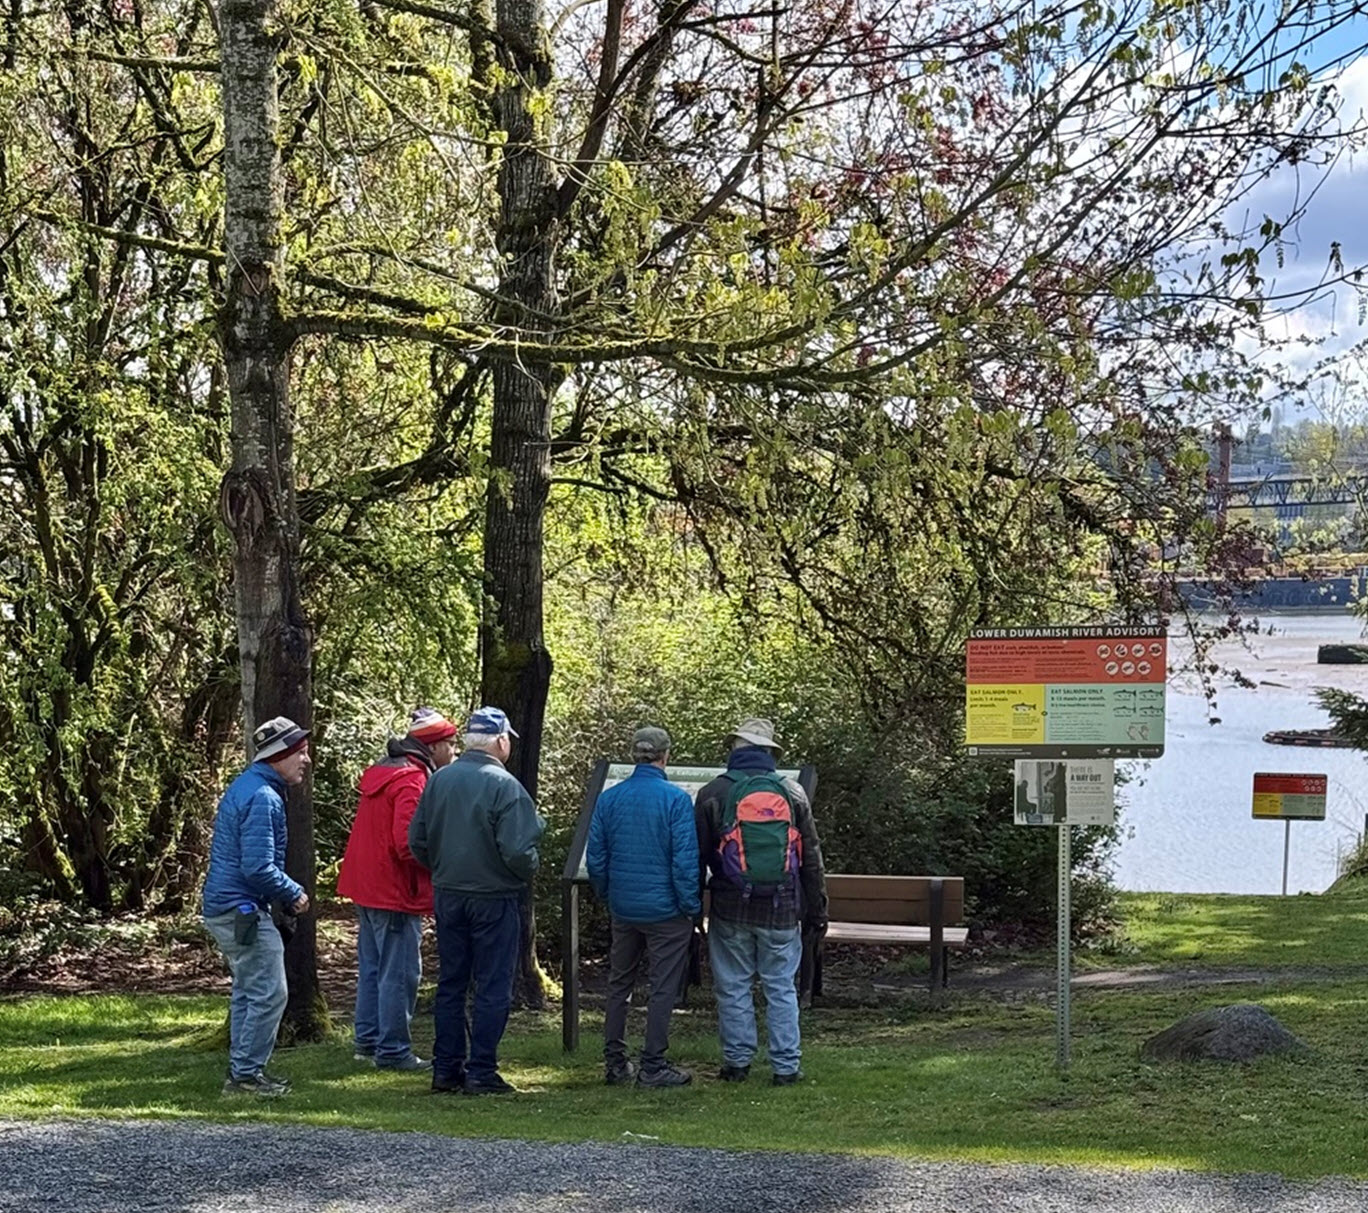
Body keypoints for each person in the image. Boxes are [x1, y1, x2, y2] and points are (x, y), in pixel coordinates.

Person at [408, 706, 544, 1096]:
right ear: (501, 741)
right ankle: (482, 1070)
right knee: (492, 985)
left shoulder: (439, 781)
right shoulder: (506, 787)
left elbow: (417, 840)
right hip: (493, 897)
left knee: (451, 983)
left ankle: (446, 1068)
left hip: (449, 895)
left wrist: (443, 868)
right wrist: (523, 872)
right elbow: (519, 853)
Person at [694, 717, 827, 1086]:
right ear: (770, 752)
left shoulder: (712, 793)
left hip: (729, 906)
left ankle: (737, 1063)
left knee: (733, 985)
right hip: (782, 909)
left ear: (734, 749)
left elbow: (699, 856)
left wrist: (693, 906)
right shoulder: (793, 793)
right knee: (780, 987)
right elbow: (811, 857)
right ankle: (785, 1067)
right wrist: (817, 909)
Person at [337, 707, 457, 1071]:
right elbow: (408, 844)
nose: (454, 751)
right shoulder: (412, 780)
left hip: (368, 885)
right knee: (400, 972)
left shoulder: (385, 772)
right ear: (433, 747)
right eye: (450, 744)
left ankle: (368, 1041)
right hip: (395, 890)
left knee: (373, 967)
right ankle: (392, 1050)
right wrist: (443, 860)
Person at [201, 716, 312, 1098]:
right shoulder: (263, 797)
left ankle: (243, 1071)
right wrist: (293, 892)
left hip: (228, 905)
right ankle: (246, 1077)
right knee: (269, 991)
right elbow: (259, 866)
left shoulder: (248, 786)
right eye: (299, 751)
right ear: (279, 755)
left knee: (249, 989)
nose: (306, 759)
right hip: (241, 907)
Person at [587, 726, 701, 1088]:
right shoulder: (676, 800)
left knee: (618, 983)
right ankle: (653, 1065)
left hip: (625, 907)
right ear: (666, 756)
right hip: (667, 910)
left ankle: (615, 1063)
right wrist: (690, 906)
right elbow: (684, 862)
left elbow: (597, 858)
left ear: (634, 755)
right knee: (662, 987)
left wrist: (609, 894)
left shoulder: (610, 798)